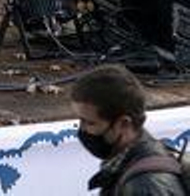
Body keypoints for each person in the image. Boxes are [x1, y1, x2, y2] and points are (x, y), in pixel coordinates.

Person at [72, 64, 188, 195]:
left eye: (90, 123)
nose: (82, 129)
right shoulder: (126, 161)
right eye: (80, 120)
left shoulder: (145, 187)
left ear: (123, 123)